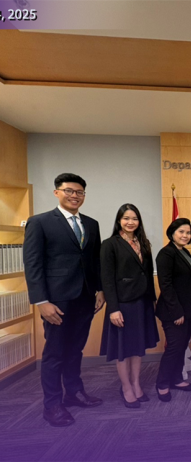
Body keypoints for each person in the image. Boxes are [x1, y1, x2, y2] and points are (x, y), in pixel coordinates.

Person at [23, 173, 105, 427]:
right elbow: (33, 264)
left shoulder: (91, 224)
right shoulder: (40, 222)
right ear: (57, 192)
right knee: (55, 352)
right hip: (56, 301)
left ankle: (74, 392)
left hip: (85, 298)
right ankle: (52, 405)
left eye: (79, 192)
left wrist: (100, 289)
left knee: (75, 349)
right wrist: (41, 301)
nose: (74, 196)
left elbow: (95, 260)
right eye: (69, 191)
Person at [99, 204, 159, 408]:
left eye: (134, 218)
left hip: (142, 303)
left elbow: (147, 273)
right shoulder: (110, 244)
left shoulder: (143, 243)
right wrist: (113, 309)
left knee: (138, 347)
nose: (130, 222)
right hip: (122, 304)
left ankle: (136, 383)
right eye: (126, 218)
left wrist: (152, 300)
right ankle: (126, 387)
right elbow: (107, 279)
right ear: (119, 221)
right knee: (123, 349)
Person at [155, 218, 191, 402]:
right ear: (172, 233)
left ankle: (175, 379)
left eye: (188, 232)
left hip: (188, 308)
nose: (185, 235)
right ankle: (162, 384)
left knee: (182, 346)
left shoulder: (184, 252)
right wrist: (176, 312)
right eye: (181, 232)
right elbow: (165, 285)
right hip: (173, 311)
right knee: (174, 347)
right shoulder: (166, 254)